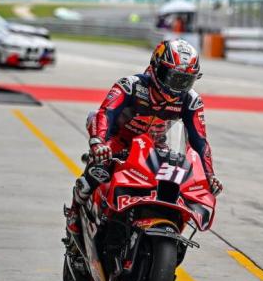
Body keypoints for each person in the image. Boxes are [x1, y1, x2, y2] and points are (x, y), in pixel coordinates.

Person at [64, 39, 223, 236]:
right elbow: (105, 112)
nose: (177, 87)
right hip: (117, 139)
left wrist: (209, 175)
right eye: (172, 77)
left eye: (184, 80)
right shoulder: (130, 85)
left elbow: (200, 141)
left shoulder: (191, 100)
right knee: (97, 173)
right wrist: (98, 142)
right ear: (155, 67)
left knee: (175, 181)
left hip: (155, 145)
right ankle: (74, 212)